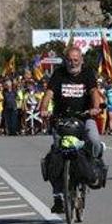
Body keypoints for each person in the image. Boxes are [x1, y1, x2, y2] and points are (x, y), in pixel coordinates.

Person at [39, 46, 103, 213]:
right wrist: (43, 109)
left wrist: (95, 108)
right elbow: (48, 94)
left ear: (81, 60)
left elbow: (94, 92)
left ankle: (93, 167)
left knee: (95, 141)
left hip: (84, 117)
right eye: (69, 60)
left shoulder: (87, 73)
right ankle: (58, 197)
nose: (73, 63)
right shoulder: (59, 74)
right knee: (55, 156)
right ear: (65, 60)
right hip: (62, 119)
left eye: (76, 60)